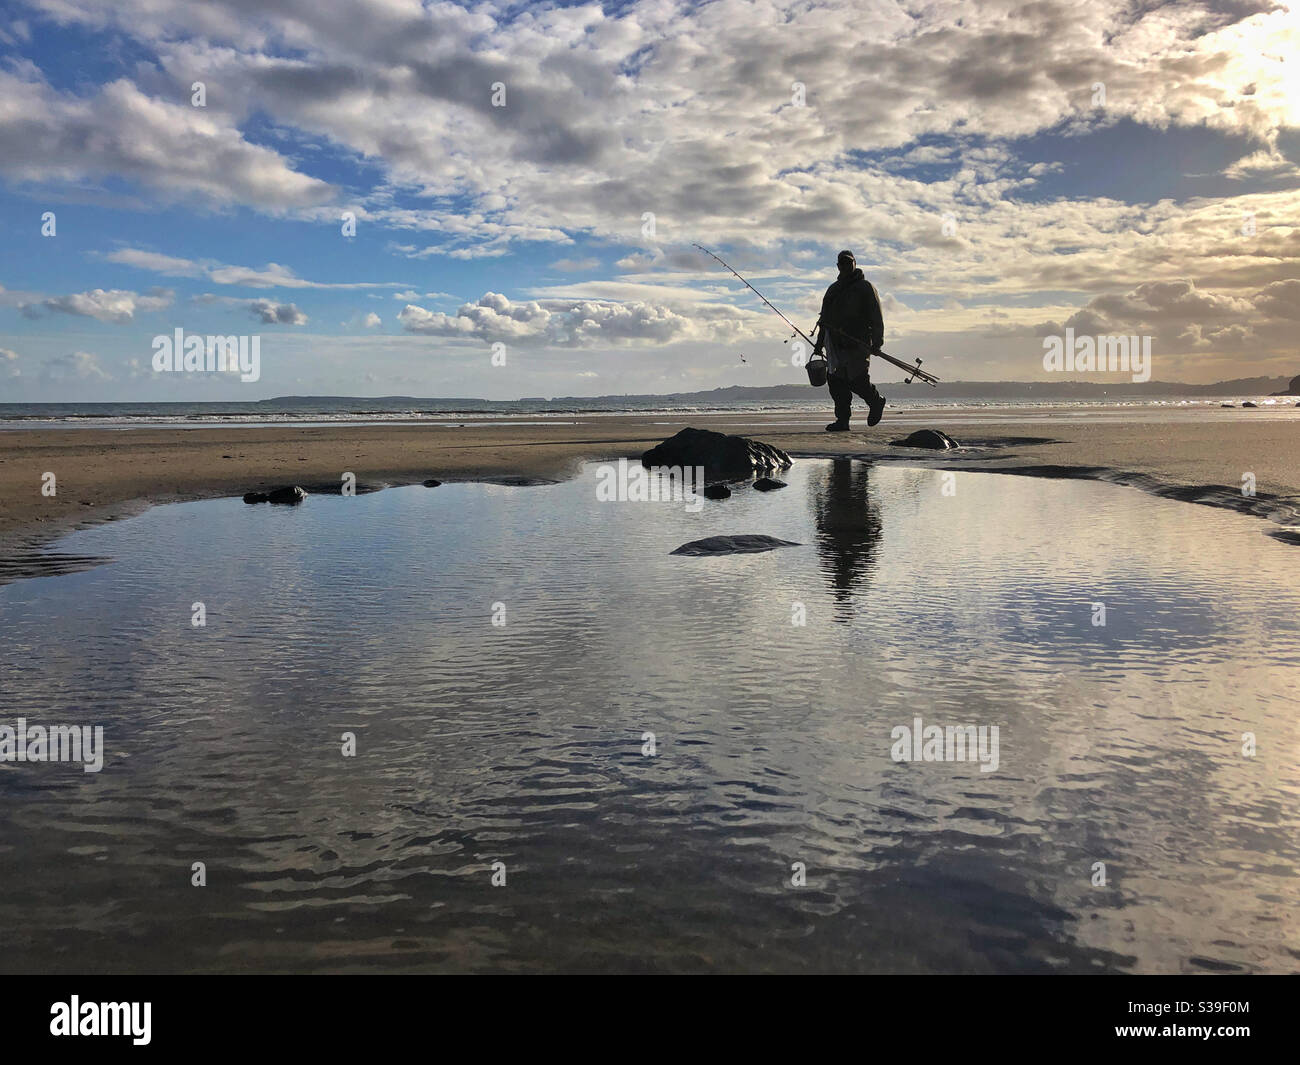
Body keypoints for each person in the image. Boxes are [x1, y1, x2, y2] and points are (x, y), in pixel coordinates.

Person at [812, 250, 886, 431]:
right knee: (836, 382)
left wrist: (877, 342)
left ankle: (876, 401)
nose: (845, 266)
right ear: (838, 266)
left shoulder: (865, 287)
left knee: (857, 379)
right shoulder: (832, 289)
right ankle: (842, 420)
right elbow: (824, 320)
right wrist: (819, 343)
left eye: (848, 262)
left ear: (854, 263)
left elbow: (876, 315)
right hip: (834, 343)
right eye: (841, 263)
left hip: (858, 342)